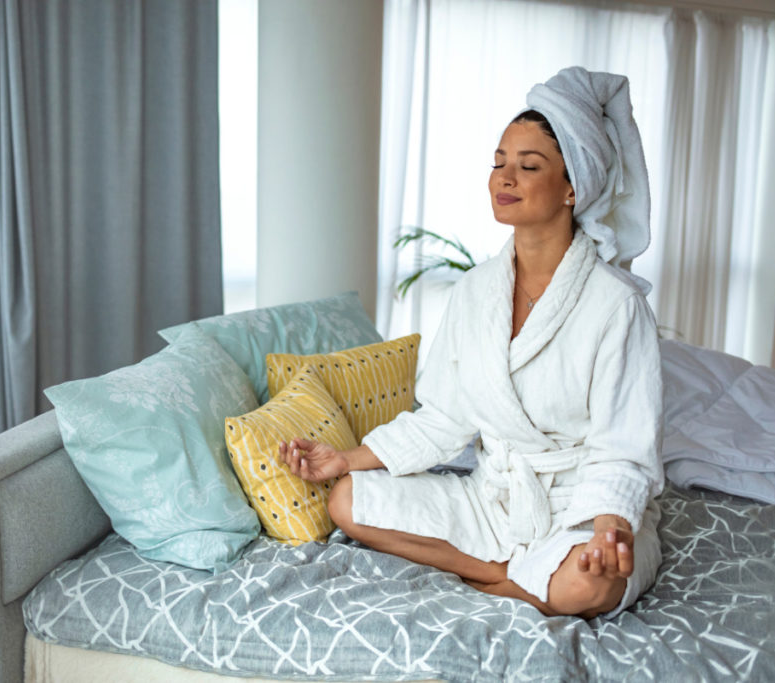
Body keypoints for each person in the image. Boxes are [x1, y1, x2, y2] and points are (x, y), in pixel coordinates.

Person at [279, 67, 663, 620]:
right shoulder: (476, 290)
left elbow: (623, 449)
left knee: (591, 586)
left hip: (580, 508)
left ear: (573, 187)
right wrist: (346, 459)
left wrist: (608, 529)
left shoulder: (616, 304)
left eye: (528, 166)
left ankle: (522, 575)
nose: (504, 178)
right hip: (494, 500)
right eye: (498, 163)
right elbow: (443, 418)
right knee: (349, 500)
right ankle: (511, 577)